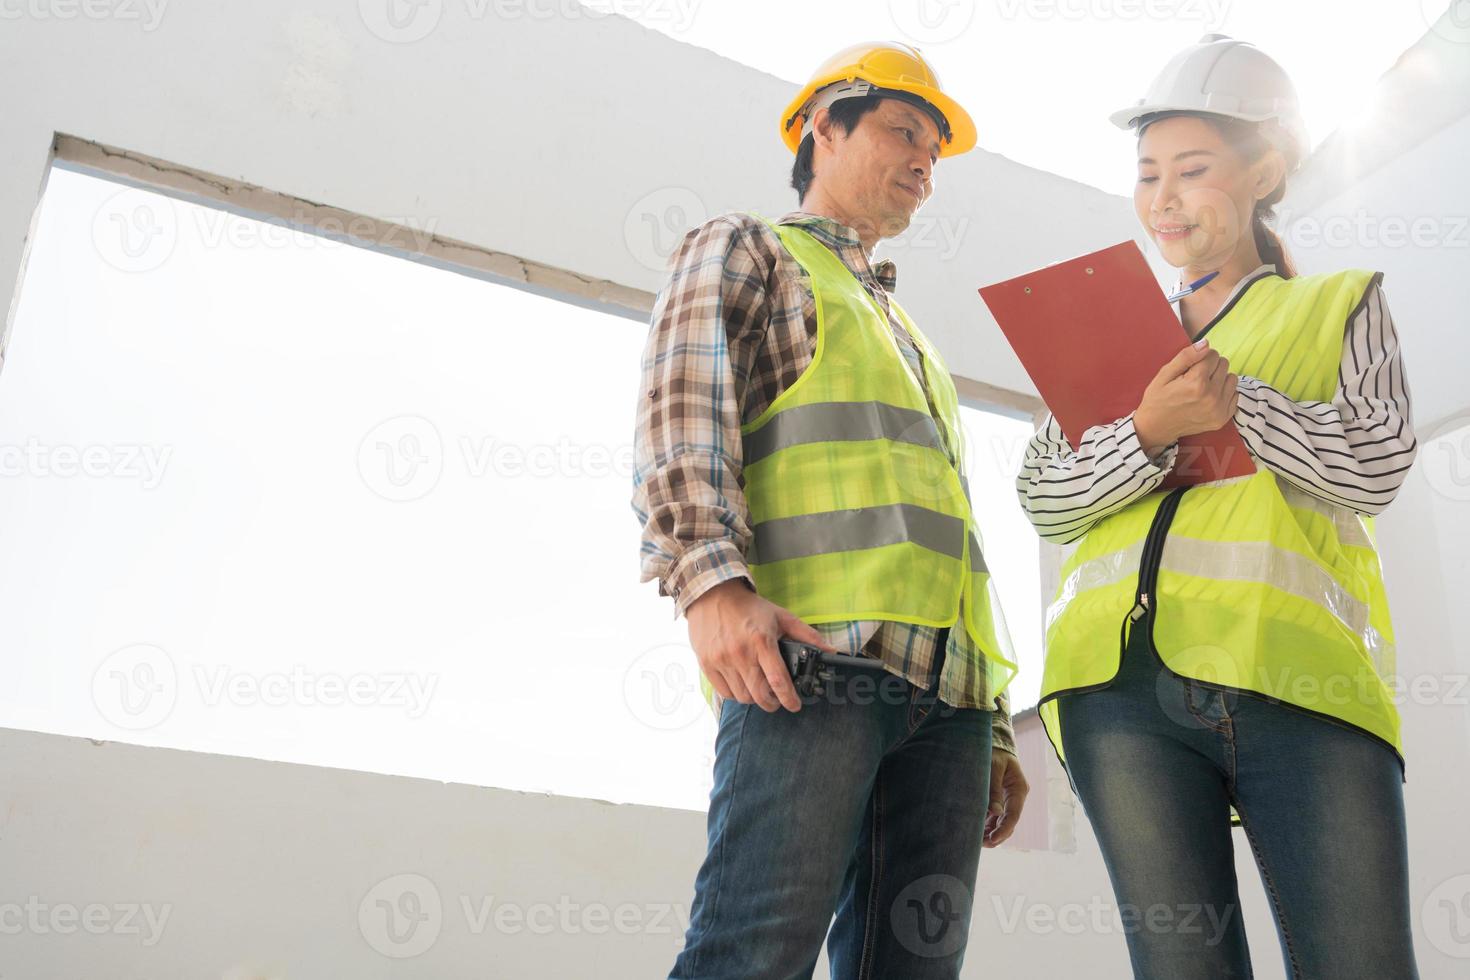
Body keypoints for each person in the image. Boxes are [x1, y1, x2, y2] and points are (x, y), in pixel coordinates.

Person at [1016, 34, 1421, 979]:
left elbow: (1374, 467)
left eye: (1192, 170)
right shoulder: (1098, 325)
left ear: (1264, 171)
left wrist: (1242, 403)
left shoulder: (1336, 305)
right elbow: (1044, 495)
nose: (1164, 196)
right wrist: (1149, 432)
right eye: (1148, 172)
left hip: (1299, 684)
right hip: (1119, 695)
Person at [632, 41, 1029, 979]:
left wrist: (997, 719)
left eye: (935, 147)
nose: (925, 162)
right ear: (823, 125)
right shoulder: (749, 249)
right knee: (754, 952)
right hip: (815, 662)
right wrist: (710, 592)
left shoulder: (911, 338)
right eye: (905, 131)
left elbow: (955, 538)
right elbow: (682, 417)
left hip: (953, 696)